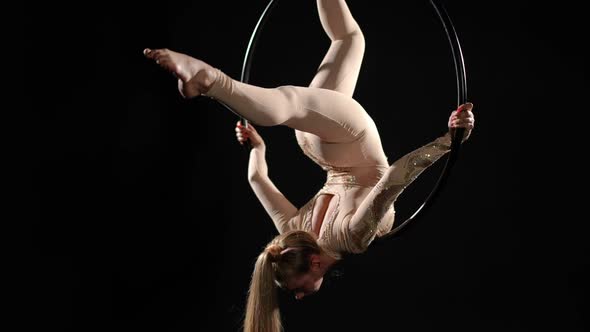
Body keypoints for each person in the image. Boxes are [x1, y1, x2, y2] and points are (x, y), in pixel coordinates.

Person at [144, 1, 475, 331]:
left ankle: (207, 79)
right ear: (313, 262)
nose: (299, 297)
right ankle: (207, 81)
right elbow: (256, 178)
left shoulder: (350, 239)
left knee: (290, 102)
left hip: (349, 139)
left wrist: (449, 141)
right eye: (296, 291)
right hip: (318, 145)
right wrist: (257, 149)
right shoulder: (291, 232)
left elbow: (393, 178)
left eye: (295, 290)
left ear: (314, 263)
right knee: (349, 40)